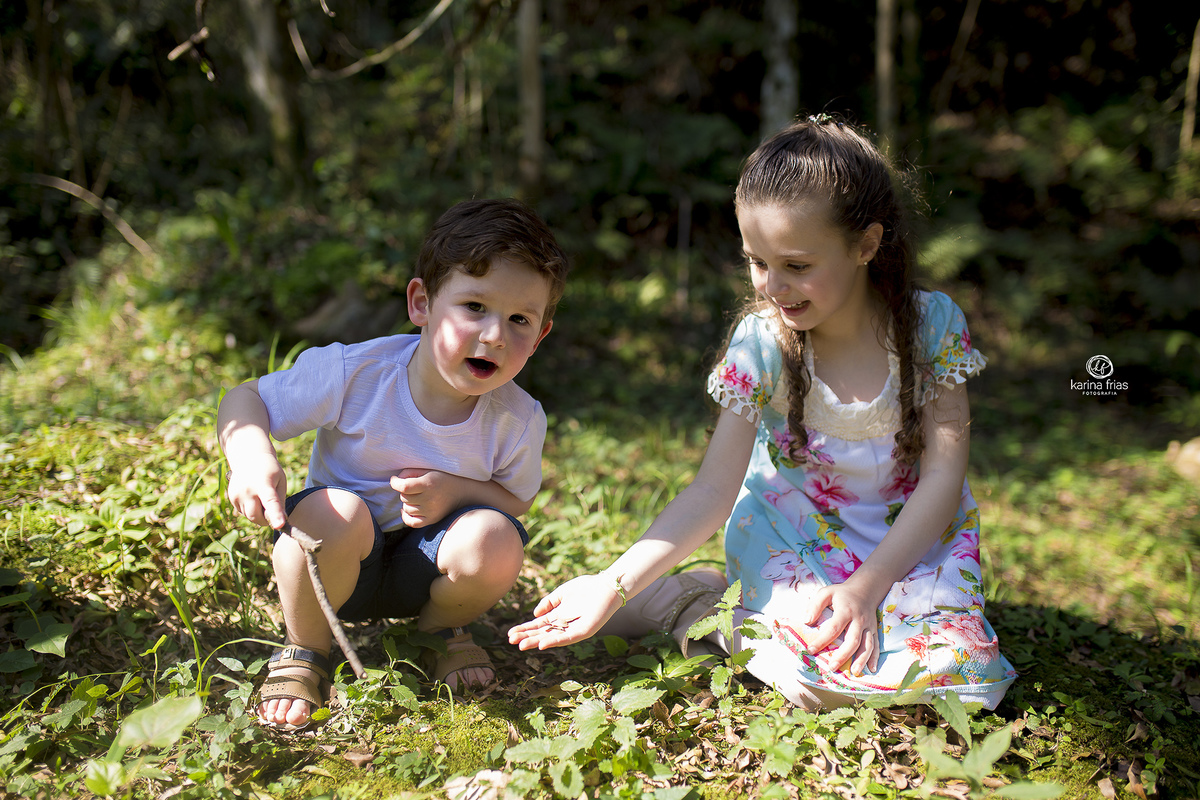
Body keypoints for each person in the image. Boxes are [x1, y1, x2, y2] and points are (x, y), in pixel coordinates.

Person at [509, 117, 1016, 710]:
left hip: (909, 545)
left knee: (961, 674)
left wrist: (867, 587)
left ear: (866, 245)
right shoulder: (764, 342)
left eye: (797, 265)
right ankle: (687, 603)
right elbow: (712, 491)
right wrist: (610, 584)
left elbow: (943, 476)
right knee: (817, 678)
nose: (773, 285)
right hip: (795, 541)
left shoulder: (931, 327)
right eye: (757, 261)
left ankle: (712, 596)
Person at [219, 198, 569, 730]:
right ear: (422, 303)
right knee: (334, 511)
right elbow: (244, 399)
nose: (495, 334)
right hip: (335, 564)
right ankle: (307, 651)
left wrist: (454, 493)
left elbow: (516, 500)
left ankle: (436, 631)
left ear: (541, 335)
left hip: (423, 569)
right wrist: (250, 455)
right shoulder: (356, 372)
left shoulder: (517, 418)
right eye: (474, 306)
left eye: (519, 318)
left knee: (496, 538)